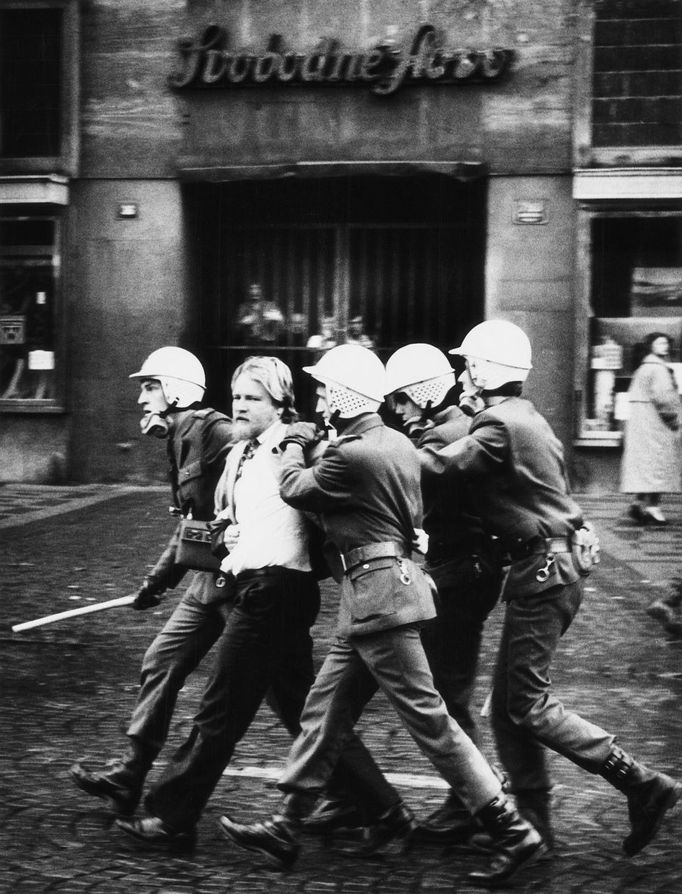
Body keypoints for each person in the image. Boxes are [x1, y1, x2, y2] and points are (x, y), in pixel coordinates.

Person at [218, 344, 545, 888]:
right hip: (378, 594)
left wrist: (295, 443)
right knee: (323, 712)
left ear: (346, 395)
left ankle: (512, 830)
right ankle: (286, 825)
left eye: (325, 389)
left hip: (379, 602)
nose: (319, 397)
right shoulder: (393, 442)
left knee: (431, 722)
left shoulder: (351, 454)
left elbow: (295, 489)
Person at [115, 356, 403, 847]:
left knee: (219, 710)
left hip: (277, 593)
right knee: (305, 713)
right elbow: (244, 516)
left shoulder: (301, 447)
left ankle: (172, 817)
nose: (242, 406)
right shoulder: (240, 452)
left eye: (254, 398)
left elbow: (341, 496)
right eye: (237, 397)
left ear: (280, 405)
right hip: (257, 586)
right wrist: (229, 534)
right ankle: (382, 809)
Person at [421, 319, 681, 857]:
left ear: (482, 369)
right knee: (508, 707)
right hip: (549, 569)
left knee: (529, 703)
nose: (463, 375)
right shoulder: (524, 416)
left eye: (467, 364)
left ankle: (642, 784)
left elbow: (438, 467)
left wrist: (374, 448)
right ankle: (535, 827)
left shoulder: (496, 427)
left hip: (544, 572)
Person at [71, 347, 235, 816]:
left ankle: (358, 800)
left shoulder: (216, 431)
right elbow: (189, 526)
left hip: (245, 584)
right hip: (208, 582)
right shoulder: (179, 439)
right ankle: (130, 774)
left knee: (286, 697)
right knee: (160, 661)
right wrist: (155, 584)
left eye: (150, 386)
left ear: (177, 390)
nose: (142, 398)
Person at [384, 344, 503, 842]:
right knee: (447, 694)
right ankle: (475, 799)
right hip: (459, 573)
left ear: (425, 395)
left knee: (449, 697)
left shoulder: (445, 436)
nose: (399, 411)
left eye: (405, 400)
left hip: (459, 576)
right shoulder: (452, 427)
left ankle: (479, 803)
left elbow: (406, 480)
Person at [621, 332, 681, 526]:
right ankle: (653, 507)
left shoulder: (643, 368)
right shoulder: (659, 369)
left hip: (642, 425)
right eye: (659, 342)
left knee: (646, 466)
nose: (664, 346)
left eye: (666, 342)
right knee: (659, 465)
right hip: (656, 427)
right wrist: (676, 421)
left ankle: (638, 503)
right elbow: (665, 400)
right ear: (651, 346)